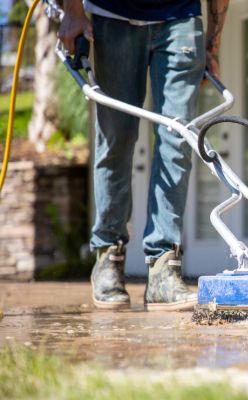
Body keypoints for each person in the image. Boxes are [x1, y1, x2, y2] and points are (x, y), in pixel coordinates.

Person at [58, 0, 229, 311]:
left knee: (178, 138)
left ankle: (164, 265)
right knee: (116, 138)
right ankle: (108, 256)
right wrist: (72, 11)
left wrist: (212, 44)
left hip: (182, 17)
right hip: (112, 16)